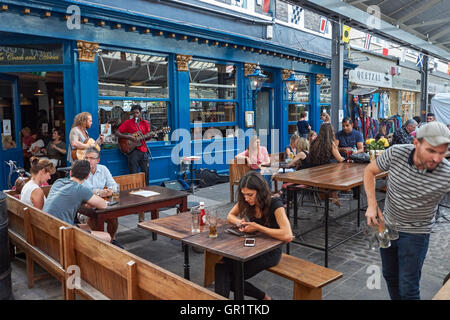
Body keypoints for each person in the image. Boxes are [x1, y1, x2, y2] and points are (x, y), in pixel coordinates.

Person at [363, 121, 450, 300]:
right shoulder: (396, 152)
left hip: (416, 232)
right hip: (385, 225)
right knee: (389, 274)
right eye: (431, 151)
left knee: (408, 285)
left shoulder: (446, 173)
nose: (436, 158)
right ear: (416, 143)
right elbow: (369, 170)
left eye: (442, 153)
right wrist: (372, 205)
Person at [214, 171, 293, 300]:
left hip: (270, 252)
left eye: (250, 195)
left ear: (260, 192)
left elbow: (288, 235)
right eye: (244, 195)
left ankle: (263, 297)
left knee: (233, 277)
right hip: (251, 247)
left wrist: (258, 227)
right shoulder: (247, 201)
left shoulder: (275, 204)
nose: (246, 198)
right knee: (221, 267)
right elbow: (230, 216)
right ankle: (263, 298)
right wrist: (240, 222)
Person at [43, 160, 112, 243]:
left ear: (71, 172)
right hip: (62, 232)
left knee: (89, 226)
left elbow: (68, 198)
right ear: (87, 177)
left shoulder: (58, 182)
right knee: (107, 237)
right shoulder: (80, 189)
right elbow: (103, 205)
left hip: (47, 227)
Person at [82, 147, 119, 240]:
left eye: (91, 158)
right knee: (93, 218)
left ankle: (111, 239)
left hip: (102, 203)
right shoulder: (81, 170)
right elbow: (81, 191)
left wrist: (110, 190)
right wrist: (98, 192)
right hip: (84, 205)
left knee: (113, 217)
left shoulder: (103, 169)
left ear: (98, 160)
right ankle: (97, 241)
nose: (88, 160)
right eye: (86, 158)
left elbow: (114, 185)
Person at [309, 123, 345, 206]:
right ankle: (334, 197)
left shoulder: (314, 143)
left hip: (314, 173)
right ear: (331, 132)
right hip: (327, 174)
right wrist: (347, 158)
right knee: (338, 171)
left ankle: (333, 197)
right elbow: (340, 159)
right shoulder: (331, 144)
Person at [115, 105, 151, 185]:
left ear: (140, 113)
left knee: (145, 172)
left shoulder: (145, 123)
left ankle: (146, 190)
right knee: (133, 173)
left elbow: (146, 138)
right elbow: (117, 133)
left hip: (143, 151)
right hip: (133, 151)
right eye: (134, 113)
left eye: (137, 113)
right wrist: (128, 137)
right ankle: (135, 190)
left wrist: (150, 135)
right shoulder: (128, 123)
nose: (136, 115)